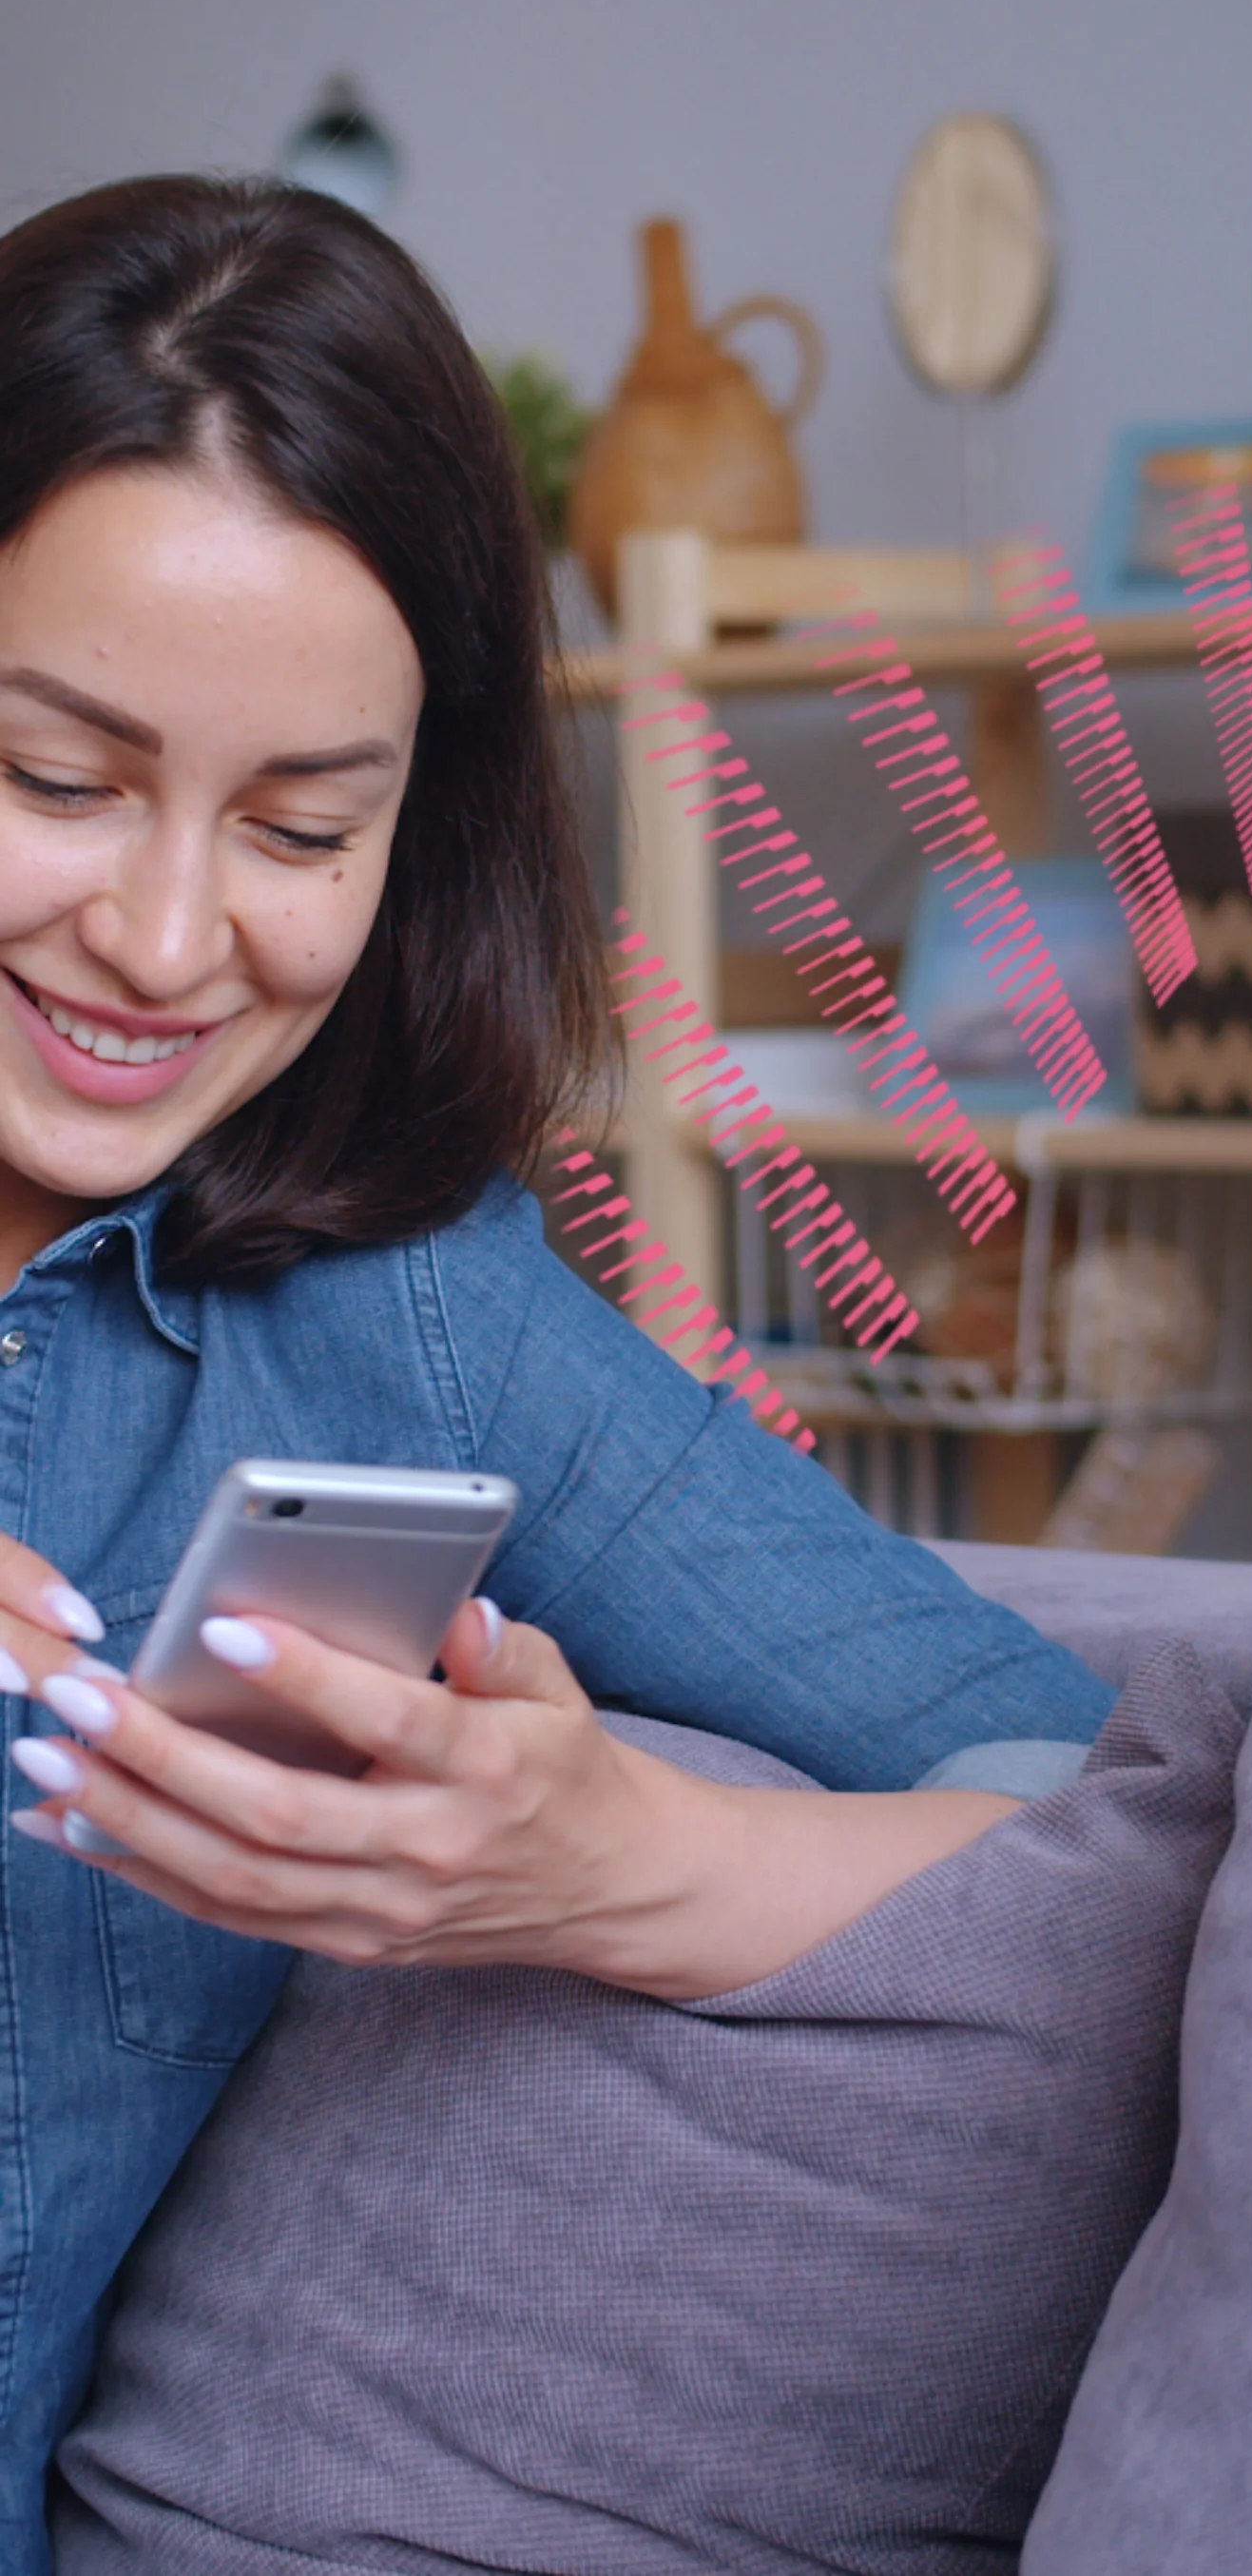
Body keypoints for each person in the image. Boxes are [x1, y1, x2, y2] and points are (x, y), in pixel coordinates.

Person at [0, 172, 1116, 2576]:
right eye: (54, 777)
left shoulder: (400, 1314)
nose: (167, 936)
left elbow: (1088, 1805)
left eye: (303, 825)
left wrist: (616, 1866)